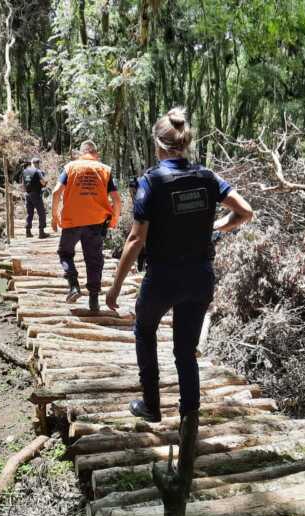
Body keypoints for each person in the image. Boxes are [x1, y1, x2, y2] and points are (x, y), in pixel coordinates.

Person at [105, 107, 253, 426]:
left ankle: (151, 405)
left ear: (158, 145)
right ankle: (189, 416)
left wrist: (115, 287)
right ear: (184, 144)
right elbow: (245, 211)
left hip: (163, 278)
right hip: (200, 277)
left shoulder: (151, 182)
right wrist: (217, 228)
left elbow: (135, 239)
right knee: (185, 350)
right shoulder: (207, 177)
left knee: (145, 330)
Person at [52, 140, 122, 312]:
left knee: (65, 253)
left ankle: (74, 286)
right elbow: (116, 199)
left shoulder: (70, 167)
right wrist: (114, 218)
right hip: (96, 222)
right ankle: (94, 300)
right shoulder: (104, 169)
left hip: (72, 221)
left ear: (81, 153)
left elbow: (56, 192)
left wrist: (54, 216)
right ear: (95, 153)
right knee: (94, 260)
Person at [22, 157, 49, 238]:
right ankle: (41, 232)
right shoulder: (38, 171)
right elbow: (43, 182)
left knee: (29, 213)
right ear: (37, 163)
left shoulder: (25, 171)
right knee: (41, 213)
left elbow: (23, 183)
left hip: (27, 194)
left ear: (31, 163)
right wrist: (45, 184)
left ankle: (28, 231)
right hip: (36, 194)